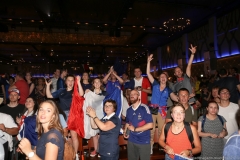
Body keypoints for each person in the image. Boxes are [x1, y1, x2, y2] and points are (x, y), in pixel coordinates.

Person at [146, 54, 178, 154]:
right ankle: (150, 146)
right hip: (152, 110)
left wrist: (181, 98)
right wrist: (148, 62)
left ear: (166, 79)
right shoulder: (155, 84)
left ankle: (161, 146)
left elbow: (173, 97)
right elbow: (148, 73)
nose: (163, 78)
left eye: (165, 77)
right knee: (151, 129)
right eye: (161, 77)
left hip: (162, 111)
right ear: (159, 79)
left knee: (161, 129)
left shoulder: (168, 89)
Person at [46, 75, 84, 154]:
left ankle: (75, 154)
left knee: (74, 136)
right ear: (65, 82)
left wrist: (79, 82)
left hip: (73, 115)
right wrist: (48, 86)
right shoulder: (61, 90)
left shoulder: (75, 91)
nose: (70, 82)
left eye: (72, 80)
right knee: (61, 135)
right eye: (68, 80)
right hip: (62, 115)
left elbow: (81, 94)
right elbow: (49, 96)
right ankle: (62, 154)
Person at [124, 89, 153, 160]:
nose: (132, 95)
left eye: (134, 94)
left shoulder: (144, 108)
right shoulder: (128, 110)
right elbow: (127, 123)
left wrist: (135, 129)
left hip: (143, 141)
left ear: (139, 97)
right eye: (131, 95)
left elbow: (150, 125)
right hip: (131, 141)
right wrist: (125, 132)